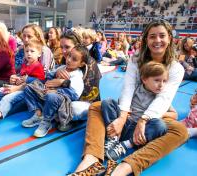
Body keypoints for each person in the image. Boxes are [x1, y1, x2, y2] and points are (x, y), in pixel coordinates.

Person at [69, 19, 188, 176]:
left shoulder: (176, 68)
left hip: (151, 116)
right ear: (146, 39)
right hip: (129, 111)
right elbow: (129, 88)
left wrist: (143, 120)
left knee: (180, 131)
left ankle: (123, 168)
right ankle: (92, 158)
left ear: (170, 39)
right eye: (152, 36)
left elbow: (163, 99)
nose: (157, 40)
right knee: (97, 106)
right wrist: (122, 118)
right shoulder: (136, 59)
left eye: (162, 36)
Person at [103, 61, 171, 161]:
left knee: (160, 125)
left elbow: (174, 114)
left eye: (164, 81)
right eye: (157, 80)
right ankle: (113, 137)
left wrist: (156, 115)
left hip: (137, 132)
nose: (161, 85)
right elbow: (122, 103)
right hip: (124, 124)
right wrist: (124, 112)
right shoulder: (135, 89)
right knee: (107, 102)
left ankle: (125, 145)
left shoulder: (161, 98)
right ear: (144, 79)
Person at [22, 45, 89, 137]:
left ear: (81, 64)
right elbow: (47, 78)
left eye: (74, 59)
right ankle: (38, 114)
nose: (69, 60)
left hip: (60, 100)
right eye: (69, 56)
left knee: (52, 96)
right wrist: (30, 80)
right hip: (48, 93)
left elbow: (74, 94)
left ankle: (46, 122)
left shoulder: (76, 75)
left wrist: (57, 91)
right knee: (28, 88)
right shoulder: (62, 68)